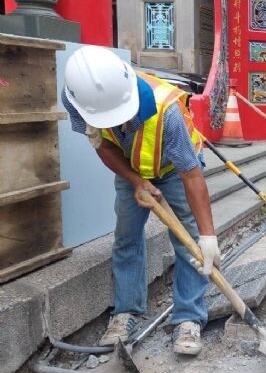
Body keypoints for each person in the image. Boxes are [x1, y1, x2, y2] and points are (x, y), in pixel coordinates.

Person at [62, 45, 220, 356]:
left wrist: (208, 236)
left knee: (186, 240)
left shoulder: (167, 110)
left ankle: (188, 318)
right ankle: (127, 312)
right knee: (126, 237)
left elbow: (191, 175)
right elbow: (101, 145)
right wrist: (136, 181)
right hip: (129, 169)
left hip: (175, 169)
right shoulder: (76, 99)